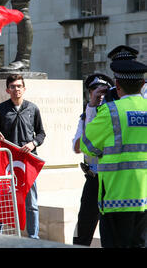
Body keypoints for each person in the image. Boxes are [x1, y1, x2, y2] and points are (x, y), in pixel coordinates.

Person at [80, 59, 147, 248]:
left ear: (116, 85)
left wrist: (92, 107)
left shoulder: (110, 111)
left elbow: (87, 146)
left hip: (116, 198)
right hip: (144, 197)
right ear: (142, 85)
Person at [0, 74, 46, 238]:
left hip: (27, 161)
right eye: (12, 86)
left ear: (24, 89)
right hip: (6, 161)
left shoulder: (33, 108)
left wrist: (33, 144)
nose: (16, 89)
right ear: (7, 90)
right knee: (1, 199)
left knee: (31, 201)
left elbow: (41, 134)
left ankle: (33, 237)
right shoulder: (1, 109)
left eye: (19, 86)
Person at [71, 73, 114, 246]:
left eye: (103, 92)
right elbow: (77, 147)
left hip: (111, 178)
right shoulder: (85, 116)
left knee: (110, 227)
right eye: (94, 91)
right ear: (89, 94)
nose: (99, 95)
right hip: (93, 177)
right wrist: (91, 110)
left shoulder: (113, 116)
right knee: (84, 226)